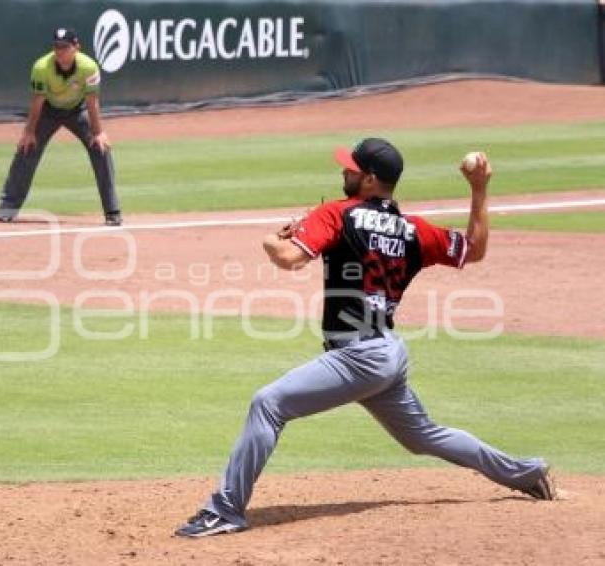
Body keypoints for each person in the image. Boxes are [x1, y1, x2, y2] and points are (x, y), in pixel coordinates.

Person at [175, 138, 556, 538]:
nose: (344, 172)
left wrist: (273, 239)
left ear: (370, 179)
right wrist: (479, 187)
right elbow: (474, 249)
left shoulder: (338, 213)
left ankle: (225, 510)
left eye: (351, 168)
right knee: (423, 436)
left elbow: (289, 258)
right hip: (387, 354)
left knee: (268, 404)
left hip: (357, 358)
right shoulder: (414, 229)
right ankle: (525, 472)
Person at [0, 28, 122, 226]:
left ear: (76, 47)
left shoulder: (89, 67)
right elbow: (37, 102)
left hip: (78, 111)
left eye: (65, 47)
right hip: (48, 111)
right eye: (56, 47)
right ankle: (7, 209)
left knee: (101, 148)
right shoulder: (41, 67)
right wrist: (28, 133)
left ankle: (112, 211)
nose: (60, 51)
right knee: (27, 148)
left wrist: (98, 132)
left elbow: (92, 102)